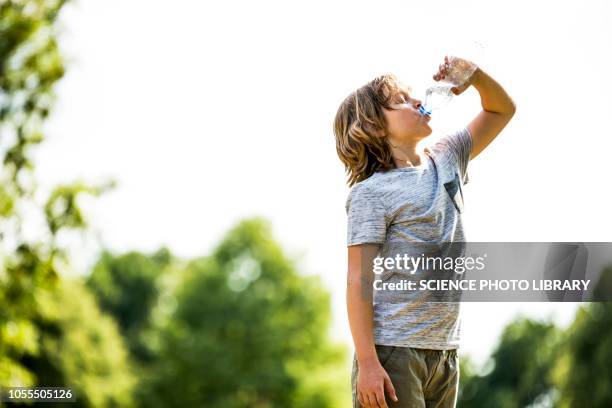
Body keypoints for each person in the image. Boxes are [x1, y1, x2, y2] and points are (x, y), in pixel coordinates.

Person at [333, 56, 516, 408]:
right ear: (373, 126)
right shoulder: (371, 193)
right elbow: (358, 280)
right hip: (393, 352)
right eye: (400, 100)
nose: (417, 101)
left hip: (445, 352)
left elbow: (501, 110)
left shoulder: (447, 157)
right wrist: (368, 364)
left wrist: (475, 78)